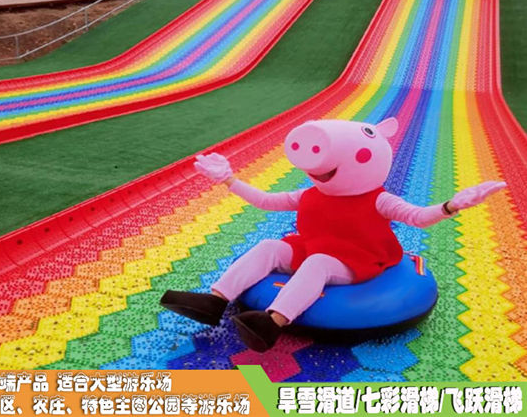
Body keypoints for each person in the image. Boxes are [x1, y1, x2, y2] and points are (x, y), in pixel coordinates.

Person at [161, 118, 507, 352]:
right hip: (313, 246)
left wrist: (450, 206)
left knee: (319, 264)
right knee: (269, 246)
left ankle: (273, 322)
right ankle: (215, 300)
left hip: (356, 258)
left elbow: (417, 217)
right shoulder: (310, 194)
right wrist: (229, 180)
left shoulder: (379, 199)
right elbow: (266, 201)